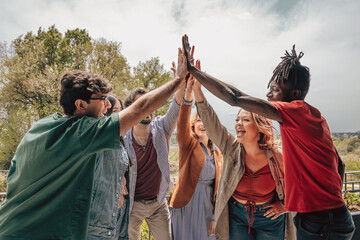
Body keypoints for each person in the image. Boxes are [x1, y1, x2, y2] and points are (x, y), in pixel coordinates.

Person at [0, 47, 187, 239]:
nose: (107, 106)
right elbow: (141, 108)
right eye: (103, 99)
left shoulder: (40, 127)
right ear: (81, 105)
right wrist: (179, 80)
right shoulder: (83, 131)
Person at [182, 35, 355, 239]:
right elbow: (339, 164)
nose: (269, 96)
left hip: (321, 221)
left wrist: (194, 71)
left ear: (294, 93)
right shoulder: (315, 119)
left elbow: (236, 98)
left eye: (275, 90)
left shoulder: (294, 110)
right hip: (330, 216)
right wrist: (332, 198)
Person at [187, 61, 293, 239]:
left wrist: (283, 206)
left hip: (269, 219)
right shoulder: (231, 147)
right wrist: (198, 91)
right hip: (237, 216)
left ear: (259, 127)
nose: (238, 124)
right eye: (237, 119)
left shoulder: (277, 155)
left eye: (245, 120)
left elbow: (297, 184)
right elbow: (212, 124)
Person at [168, 74, 222, 240]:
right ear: (193, 125)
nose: (202, 124)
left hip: (207, 206)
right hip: (186, 204)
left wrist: (215, 215)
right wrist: (189, 93)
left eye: (205, 120)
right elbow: (182, 121)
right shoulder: (188, 144)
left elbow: (219, 188)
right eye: (199, 120)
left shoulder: (217, 152)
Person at [87, 94, 130, 240]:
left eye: (120, 109)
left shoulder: (120, 142)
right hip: (101, 221)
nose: (120, 114)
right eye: (114, 110)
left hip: (120, 212)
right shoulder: (99, 139)